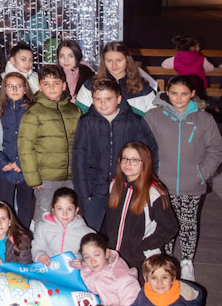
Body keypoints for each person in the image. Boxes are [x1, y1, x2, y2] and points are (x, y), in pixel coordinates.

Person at [145, 75, 222, 281]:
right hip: (161, 185)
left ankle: (187, 262)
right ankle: (167, 261)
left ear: (193, 94)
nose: (179, 98)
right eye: (174, 93)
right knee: (165, 224)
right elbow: (144, 146)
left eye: (184, 94)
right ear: (167, 93)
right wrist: (151, 174)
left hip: (191, 184)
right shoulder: (153, 116)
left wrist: (202, 173)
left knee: (188, 224)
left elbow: (215, 148)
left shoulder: (204, 119)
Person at [72, 78, 159, 230]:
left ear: (119, 99)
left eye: (108, 99)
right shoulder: (86, 122)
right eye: (97, 99)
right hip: (94, 187)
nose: (102, 103)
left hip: (125, 187)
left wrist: (145, 182)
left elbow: (149, 151)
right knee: (92, 231)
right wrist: (83, 190)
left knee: (120, 231)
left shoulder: (134, 121)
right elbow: (79, 156)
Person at [17, 64, 81, 226]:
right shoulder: (34, 112)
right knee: (44, 216)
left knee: (70, 218)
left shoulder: (74, 111)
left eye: (56, 83)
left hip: (72, 176)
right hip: (46, 178)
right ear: (39, 86)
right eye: (46, 84)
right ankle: (41, 250)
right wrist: (33, 179)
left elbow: (81, 144)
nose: (52, 88)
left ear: (64, 85)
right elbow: (26, 148)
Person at [105, 142, 178, 275]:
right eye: (124, 158)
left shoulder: (154, 192)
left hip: (141, 258)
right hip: (115, 255)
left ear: (145, 163)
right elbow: (109, 218)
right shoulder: (114, 185)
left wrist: (144, 245)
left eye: (134, 160)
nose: (128, 164)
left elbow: (170, 226)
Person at [0, 73, 34, 228]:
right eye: (10, 86)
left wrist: (21, 162)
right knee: (3, 208)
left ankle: (23, 238)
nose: (15, 89)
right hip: (4, 168)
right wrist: (3, 162)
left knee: (26, 207)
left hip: (25, 168)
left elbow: (35, 140)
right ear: (5, 89)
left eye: (19, 86)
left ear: (25, 89)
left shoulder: (31, 111)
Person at [75, 41, 156, 116]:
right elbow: (79, 115)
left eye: (119, 60)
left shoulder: (143, 88)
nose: (114, 65)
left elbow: (152, 119)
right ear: (104, 62)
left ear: (127, 60)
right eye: (109, 61)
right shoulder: (90, 85)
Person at [31, 188, 94, 266]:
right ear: (53, 209)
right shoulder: (43, 227)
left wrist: (83, 263)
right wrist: (39, 255)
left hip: (73, 273)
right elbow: (37, 247)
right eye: (60, 208)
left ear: (76, 210)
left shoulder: (86, 233)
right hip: (49, 270)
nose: (65, 214)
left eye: (69, 209)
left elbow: (93, 257)